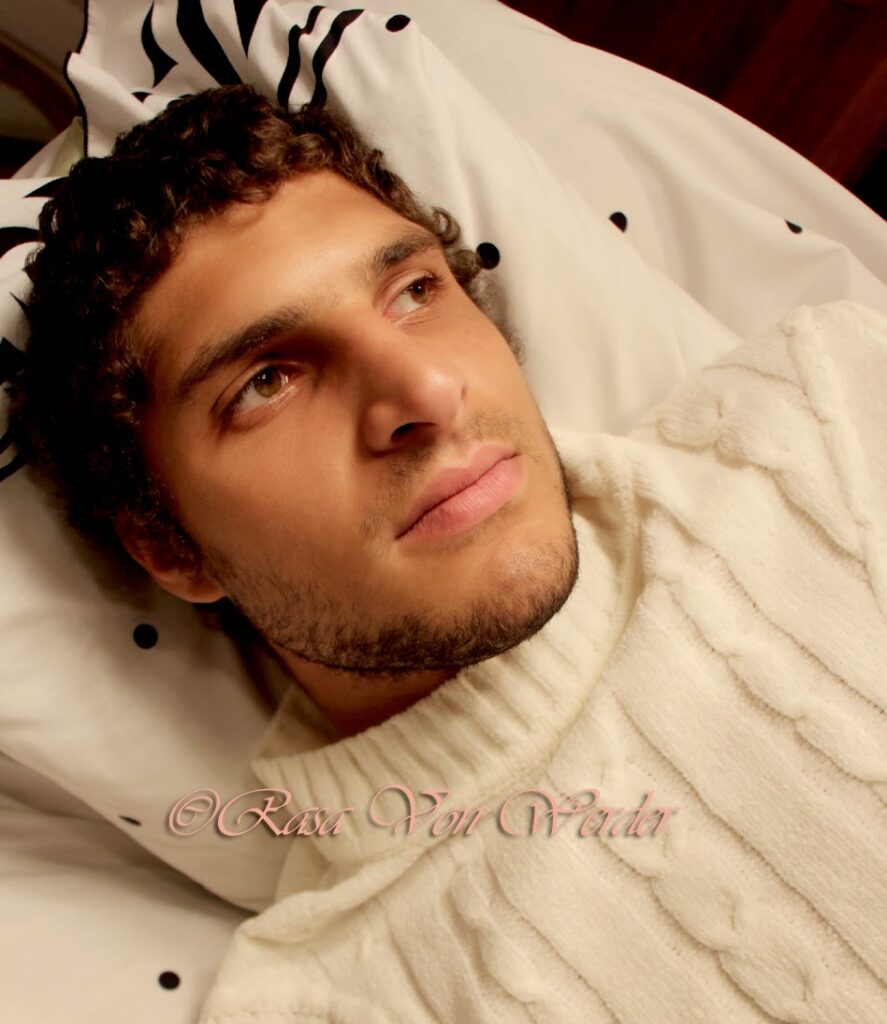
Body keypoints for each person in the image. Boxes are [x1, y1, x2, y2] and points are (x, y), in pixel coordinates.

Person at [13, 85, 887, 1023]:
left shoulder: (832, 409)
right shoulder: (327, 1007)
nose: (426, 389)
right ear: (171, 546)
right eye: (266, 381)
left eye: (415, 291)